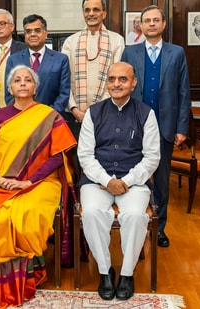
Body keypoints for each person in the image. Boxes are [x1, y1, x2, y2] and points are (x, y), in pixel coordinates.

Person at [0, 65, 76, 308]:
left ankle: (29, 277)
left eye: (27, 80)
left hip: (41, 183)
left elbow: (56, 157)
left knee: (26, 217)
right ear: (10, 88)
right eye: (17, 80)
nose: (22, 83)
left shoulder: (49, 115)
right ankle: (1, 281)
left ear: (35, 86)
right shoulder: (0, 116)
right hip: (3, 182)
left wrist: (29, 181)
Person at [78, 62, 160, 301]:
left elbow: (152, 156)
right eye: (112, 79)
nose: (116, 84)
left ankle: (126, 274)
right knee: (91, 213)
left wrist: (126, 180)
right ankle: (105, 272)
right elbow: (85, 155)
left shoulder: (146, 114)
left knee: (135, 215)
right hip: (96, 181)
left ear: (133, 83)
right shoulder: (93, 113)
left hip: (133, 182)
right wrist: (106, 179)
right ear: (107, 83)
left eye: (123, 79)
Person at [121, 5, 191, 248]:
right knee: (135, 179)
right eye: (146, 20)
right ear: (140, 25)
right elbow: (121, 89)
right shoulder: (130, 53)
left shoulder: (177, 53)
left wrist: (181, 127)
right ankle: (134, 225)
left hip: (164, 128)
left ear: (163, 25)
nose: (151, 24)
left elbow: (183, 92)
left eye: (155, 20)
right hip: (134, 127)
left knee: (161, 181)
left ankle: (159, 228)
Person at [62, 0, 124, 175]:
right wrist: (74, 108)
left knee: (102, 160)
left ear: (104, 13)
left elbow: (117, 80)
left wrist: (96, 110)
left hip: (106, 114)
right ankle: (77, 201)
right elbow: (65, 80)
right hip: (75, 115)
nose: (91, 13)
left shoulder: (116, 40)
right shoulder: (70, 42)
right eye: (87, 10)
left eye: (96, 9)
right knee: (75, 162)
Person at [5, 14, 70, 115]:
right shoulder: (13, 60)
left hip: (51, 119)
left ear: (46, 33)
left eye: (37, 30)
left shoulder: (61, 60)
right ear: (25, 35)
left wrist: (47, 115)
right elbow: (9, 93)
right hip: (21, 119)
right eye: (28, 31)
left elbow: (64, 94)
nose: (33, 34)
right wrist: (21, 114)